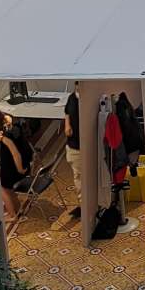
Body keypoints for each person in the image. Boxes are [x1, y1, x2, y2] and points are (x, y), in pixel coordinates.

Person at [0, 108, 27, 222]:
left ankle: (12, 215)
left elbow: (15, 153)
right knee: (9, 190)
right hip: (18, 166)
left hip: (13, 169)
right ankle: (17, 209)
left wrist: (20, 169)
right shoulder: (13, 126)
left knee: (2, 189)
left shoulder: (5, 137)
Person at [64, 89, 81, 218]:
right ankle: (83, 205)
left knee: (81, 177)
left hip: (83, 147)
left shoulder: (87, 100)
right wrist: (67, 125)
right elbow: (67, 112)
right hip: (74, 146)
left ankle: (87, 206)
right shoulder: (71, 98)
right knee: (78, 177)